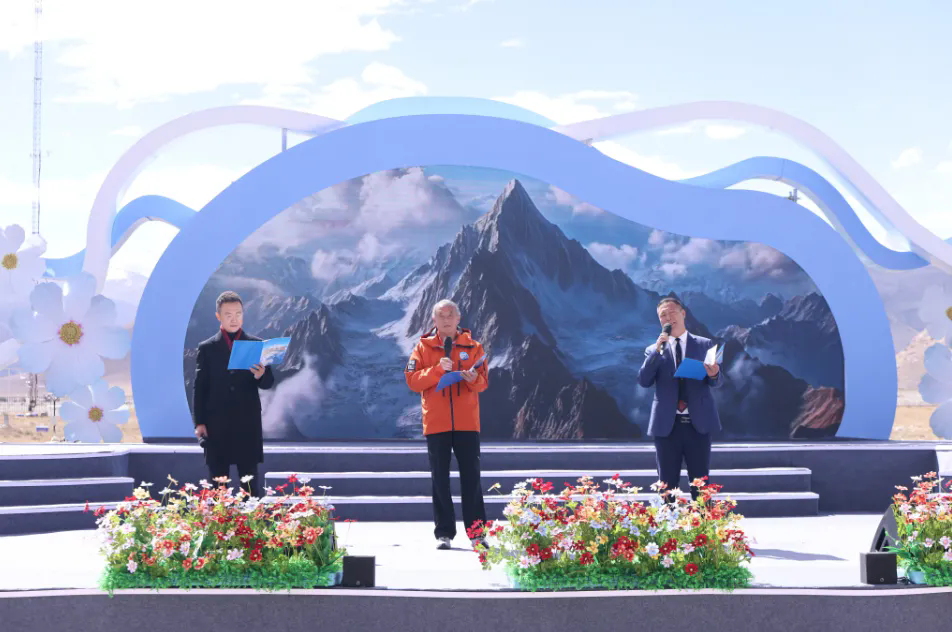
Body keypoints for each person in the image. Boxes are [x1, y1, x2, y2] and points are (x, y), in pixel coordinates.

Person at [405, 299, 489, 550]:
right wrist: (436, 370)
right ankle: (444, 534)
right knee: (439, 479)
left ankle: (477, 534)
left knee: (471, 478)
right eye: (441, 316)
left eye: (451, 315)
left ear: (458, 318)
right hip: (436, 423)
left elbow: (483, 383)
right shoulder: (422, 347)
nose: (446, 319)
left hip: (467, 423)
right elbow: (412, 380)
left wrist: (472, 379)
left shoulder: (474, 346)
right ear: (434, 320)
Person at [638, 297, 721, 502]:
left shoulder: (704, 344)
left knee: (701, 485)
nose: (668, 318)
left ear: (683, 314)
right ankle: (669, 522)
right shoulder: (653, 349)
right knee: (666, 486)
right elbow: (644, 381)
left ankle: (704, 522)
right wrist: (657, 351)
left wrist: (714, 374)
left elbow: (716, 382)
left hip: (698, 424)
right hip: (667, 426)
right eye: (662, 315)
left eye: (672, 312)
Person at [192, 291, 274, 498]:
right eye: (228, 314)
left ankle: (252, 519)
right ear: (218, 316)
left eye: (238, 313)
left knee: (250, 486)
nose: (234, 319)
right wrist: (199, 422)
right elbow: (200, 388)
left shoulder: (257, 345)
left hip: (247, 424)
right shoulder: (207, 348)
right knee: (218, 488)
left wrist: (261, 375)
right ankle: (219, 520)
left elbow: (269, 383)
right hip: (216, 425)